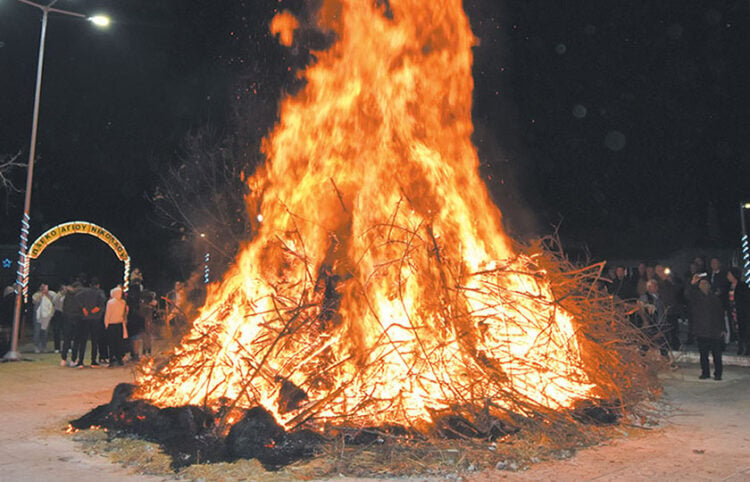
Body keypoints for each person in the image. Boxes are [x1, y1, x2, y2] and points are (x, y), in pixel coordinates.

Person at [687, 274, 725, 380]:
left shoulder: (715, 299)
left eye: (706, 284)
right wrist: (693, 284)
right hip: (702, 330)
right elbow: (688, 294)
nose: (704, 286)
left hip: (714, 331)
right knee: (703, 355)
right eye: (702, 284)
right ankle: (705, 372)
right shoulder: (696, 297)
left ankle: (718, 373)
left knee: (717, 355)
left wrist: (723, 329)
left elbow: (720, 314)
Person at [73, 279, 106, 367]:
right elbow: (102, 301)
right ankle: (93, 361)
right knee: (94, 340)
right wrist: (97, 308)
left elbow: (76, 297)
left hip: (85, 318)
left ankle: (80, 361)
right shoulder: (100, 292)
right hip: (95, 318)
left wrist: (83, 308)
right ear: (98, 285)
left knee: (83, 340)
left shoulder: (84, 291)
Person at [639, 279, 669, 357]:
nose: (654, 288)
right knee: (647, 341)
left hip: (660, 323)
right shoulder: (645, 297)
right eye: (651, 286)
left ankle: (665, 358)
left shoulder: (660, 297)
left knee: (661, 342)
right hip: (651, 323)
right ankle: (641, 357)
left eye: (654, 286)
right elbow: (641, 307)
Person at [727, 267, 750, 356]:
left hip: (742, 312)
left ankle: (746, 348)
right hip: (733, 311)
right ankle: (740, 347)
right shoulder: (729, 286)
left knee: (744, 330)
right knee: (736, 330)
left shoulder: (742, 286)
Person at [104, 286, 128, 367]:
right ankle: (119, 359)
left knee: (111, 343)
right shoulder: (123, 302)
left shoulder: (110, 302)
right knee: (119, 342)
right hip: (119, 324)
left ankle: (111, 359)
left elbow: (108, 314)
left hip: (111, 324)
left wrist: (106, 324)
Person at [60, 283, 81, 367]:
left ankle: (63, 359)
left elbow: (64, 308)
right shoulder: (79, 296)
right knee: (76, 341)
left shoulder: (67, 296)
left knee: (66, 340)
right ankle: (73, 359)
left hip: (67, 319)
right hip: (76, 319)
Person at [31, 284, 55, 353]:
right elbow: (35, 301)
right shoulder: (36, 295)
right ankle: (36, 346)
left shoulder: (50, 295)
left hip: (46, 316)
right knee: (37, 331)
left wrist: (47, 294)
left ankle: (43, 346)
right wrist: (42, 294)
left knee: (44, 332)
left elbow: (53, 301)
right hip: (38, 316)